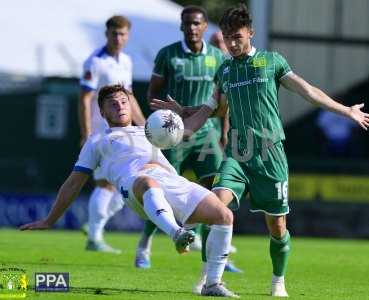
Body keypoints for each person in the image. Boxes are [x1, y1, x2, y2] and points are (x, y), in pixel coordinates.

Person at [150, 4, 369, 297]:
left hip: (270, 156)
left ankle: (277, 282)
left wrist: (346, 110)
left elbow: (308, 91)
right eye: (228, 38)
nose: (232, 43)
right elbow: (209, 110)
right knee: (215, 207)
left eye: (237, 37)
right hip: (237, 155)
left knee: (277, 226)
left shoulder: (271, 62)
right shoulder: (225, 70)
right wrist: (180, 125)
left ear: (251, 34)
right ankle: (209, 280)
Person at [20, 84, 238, 298]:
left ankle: (212, 284)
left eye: (124, 101)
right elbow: (73, 183)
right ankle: (177, 233)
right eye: (112, 104)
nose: (120, 106)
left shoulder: (148, 129)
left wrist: (211, 101)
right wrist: (50, 220)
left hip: (171, 182)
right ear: (102, 111)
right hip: (134, 184)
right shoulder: (97, 140)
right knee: (147, 182)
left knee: (224, 216)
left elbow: (188, 128)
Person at [134, 5, 241, 278]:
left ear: (206, 27)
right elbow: (153, 94)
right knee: (163, 194)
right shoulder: (168, 55)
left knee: (217, 193)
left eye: (197, 24)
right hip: (175, 136)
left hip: (207, 134)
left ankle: (217, 253)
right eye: (188, 23)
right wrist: (162, 122)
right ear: (182, 26)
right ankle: (144, 246)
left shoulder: (218, 57)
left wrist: (225, 130)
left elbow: (224, 100)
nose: (192, 28)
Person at [79, 15, 145, 253]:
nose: (118, 38)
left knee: (122, 187)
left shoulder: (126, 61)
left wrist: (144, 125)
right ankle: (94, 238)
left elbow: (129, 97)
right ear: (106, 34)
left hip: (124, 134)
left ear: (128, 36)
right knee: (105, 184)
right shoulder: (95, 62)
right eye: (114, 34)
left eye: (122, 34)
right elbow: (84, 99)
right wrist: (87, 133)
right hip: (102, 133)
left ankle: (95, 227)